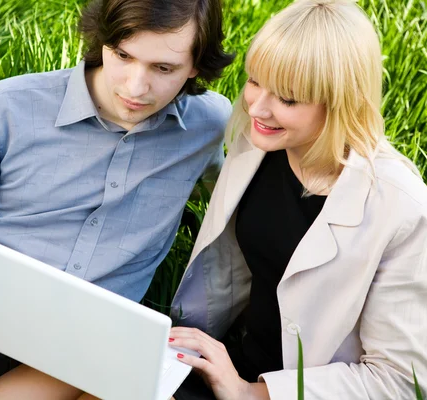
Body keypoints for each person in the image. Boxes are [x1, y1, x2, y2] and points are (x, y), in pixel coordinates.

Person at [0, 0, 235, 398]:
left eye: (163, 68)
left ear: (197, 66)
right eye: (123, 55)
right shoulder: (3, 110)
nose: (135, 87)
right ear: (103, 41)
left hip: (91, 349)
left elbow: (230, 193)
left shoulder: (207, 125)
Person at [165, 0, 427, 399]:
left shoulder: (401, 207)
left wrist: (248, 393)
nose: (258, 107)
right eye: (255, 81)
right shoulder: (258, 146)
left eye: (287, 99)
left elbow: (399, 380)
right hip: (232, 364)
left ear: (342, 102)